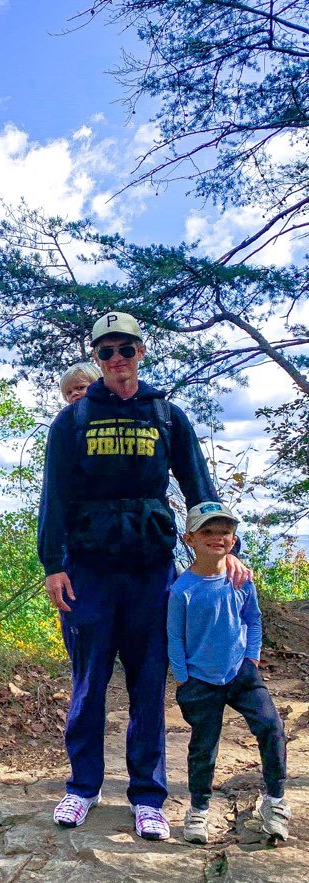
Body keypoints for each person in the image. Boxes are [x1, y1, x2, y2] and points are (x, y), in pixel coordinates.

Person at [38, 311, 249, 840]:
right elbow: (55, 497)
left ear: (141, 352)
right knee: (88, 682)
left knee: (148, 684)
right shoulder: (73, 420)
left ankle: (148, 796)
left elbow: (200, 488)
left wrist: (227, 548)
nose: (116, 360)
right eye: (105, 351)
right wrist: (54, 564)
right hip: (88, 569)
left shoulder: (167, 416)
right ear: (96, 358)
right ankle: (82, 787)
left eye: (125, 349)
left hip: (151, 568)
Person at [169, 501, 291, 844]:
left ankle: (276, 801)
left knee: (271, 727)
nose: (217, 537)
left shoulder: (241, 580)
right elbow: (174, 635)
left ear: (234, 539)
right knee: (204, 746)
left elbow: (252, 619)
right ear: (189, 538)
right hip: (200, 680)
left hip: (241, 673)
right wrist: (182, 676)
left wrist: (251, 657)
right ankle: (198, 810)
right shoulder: (183, 590)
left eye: (224, 531)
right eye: (207, 531)